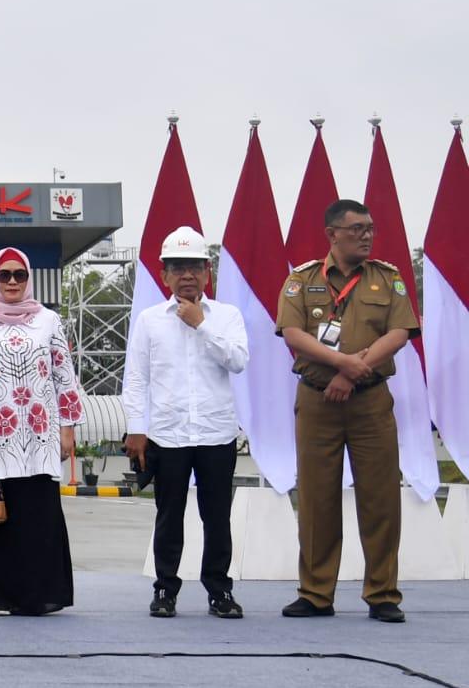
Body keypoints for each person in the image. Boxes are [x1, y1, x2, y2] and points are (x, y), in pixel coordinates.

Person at [276, 199, 420, 623]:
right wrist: (341, 364)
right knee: (317, 499)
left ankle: (383, 593)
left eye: (370, 228)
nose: (366, 235)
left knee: (380, 498)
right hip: (318, 400)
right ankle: (316, 593)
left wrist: (355, 371)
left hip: (370, 401)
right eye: (356, 228)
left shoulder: (386, 278)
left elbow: (399, 332)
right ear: (332, 233)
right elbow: (292, 333)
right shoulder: (301, 280)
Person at [122, 226, 249, 619]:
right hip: (167, 433)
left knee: (216, 517)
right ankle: (165, 589)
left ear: (207, 272)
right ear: (164, 275)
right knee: (168, 515)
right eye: (177, 267)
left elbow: (238, 361)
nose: (187, 275)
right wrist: (136, 428)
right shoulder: (148, 320)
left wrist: (200, 324)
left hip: (215, 432)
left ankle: (219, 591)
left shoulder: (226, 316)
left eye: (194, 266)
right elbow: (136, 378)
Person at [0, 247, 84, 616]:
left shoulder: (49, 321)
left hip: (40, 433)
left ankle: (39, 595)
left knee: (37, 514)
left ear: (29, 279)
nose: (12, 281)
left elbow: (64, 376)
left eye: (19, 275)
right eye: (5, 275)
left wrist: (68, 427)